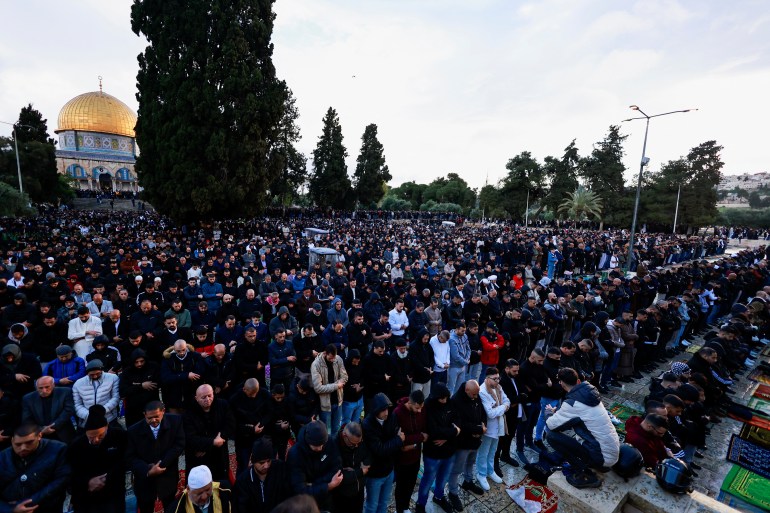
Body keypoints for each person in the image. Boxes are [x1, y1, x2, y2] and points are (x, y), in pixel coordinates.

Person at [545, 368, 620, 489]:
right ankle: (589, 464)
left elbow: (551, 425)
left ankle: (583, 472)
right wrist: (558, 413)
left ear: (562, 384)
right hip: (611, 452)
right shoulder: (590, 394)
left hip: (601, 458)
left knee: (552, 436)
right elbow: (578, 413)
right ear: (579, 381)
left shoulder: (572, 403)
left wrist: (548, 413)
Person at [66, 404, 128, 513]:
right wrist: (88, 482)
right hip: (86, 496)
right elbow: (71, 473)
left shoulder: (119, 436)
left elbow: (126, 460)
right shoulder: (76, 445)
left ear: (107, 426)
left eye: (100, 436)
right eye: (91, 437)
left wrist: (107, 478)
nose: (95, 440)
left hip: (113, 491)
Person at [126, 400, 185, 513]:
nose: (153, 420)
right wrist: (148, 470)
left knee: (170, 507)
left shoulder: (176, 421)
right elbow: (130, 458)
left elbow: (179, 445)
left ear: (163, 411)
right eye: (150, 418)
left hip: (167, 475)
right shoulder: (133, 431)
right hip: (144, 481)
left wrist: (161, 465)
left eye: (156, 416)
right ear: (144, 415)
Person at [0, 423, 70, 513]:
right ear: (12, 440)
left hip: (47, 508)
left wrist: (29, 502)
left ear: (39, 435)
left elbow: (62, 480)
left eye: (29, 442)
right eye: (18, 444)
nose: (23, 448)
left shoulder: (58, 449)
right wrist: (10, 509)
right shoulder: (2, 457)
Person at [418, 383, 460, 513]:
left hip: (449, 450)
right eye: (441, 398)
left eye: (446, 398)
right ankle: (420, 505)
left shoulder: (450, 402)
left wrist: (448, 436)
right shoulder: (428, 406)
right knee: (428, 480)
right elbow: (434, 431)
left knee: (443, 479)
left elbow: (458, 421)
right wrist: (454, 431)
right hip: (433, 453)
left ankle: (439, 497)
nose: (444, 401)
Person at [286, 420, 343, 511]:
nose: (320, 448)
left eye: (322, 444)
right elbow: (300, 490)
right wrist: (328, 486)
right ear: (308, 442)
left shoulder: (329, 441)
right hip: (306, 504)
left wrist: (314, 484)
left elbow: (337, 467)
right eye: (316, 445)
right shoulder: (295, 455)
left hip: (327, 500)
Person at [363, 392, 405, 513]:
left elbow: (388, 445)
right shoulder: (367, 424)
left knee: (384, 503)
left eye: (387, 409)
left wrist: (392, 443)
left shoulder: (391, 417)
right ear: (376, 410)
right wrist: (396, 440)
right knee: (372, 506)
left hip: (389, 470)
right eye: (383, 410)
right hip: (375, 474)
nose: (386, 412)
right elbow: (380, 450)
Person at [184, 383, 236, 480]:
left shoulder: (223, 405)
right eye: (203, 397)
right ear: (196, 398)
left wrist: (219, 439)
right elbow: (190, 438)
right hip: (198, 456)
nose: (207, 399)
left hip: (219, 452)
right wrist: (212, 442)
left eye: (209, 396)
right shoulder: (189, 412)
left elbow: (230, 425)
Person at [448, 380, 487, 498]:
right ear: (466, 390)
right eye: (474, 394)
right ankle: (453, 492)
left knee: (470, 462)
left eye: (477, 394)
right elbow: (460, 424)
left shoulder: (475, 394)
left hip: (475, 440)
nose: (476, 397)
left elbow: (482, 411)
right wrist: (478, 430)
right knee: (456, 469)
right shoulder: (456, 401)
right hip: (463, 442)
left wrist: (483, 425)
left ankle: (468, 481)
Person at [393, 390, 427, 513]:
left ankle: (406, 506)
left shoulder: (421, 410)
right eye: (417, 408)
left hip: (416, 456)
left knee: (411, 484)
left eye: (421, 408)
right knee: (401, 486)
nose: (419, 411)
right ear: (410, 403)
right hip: (401, 459)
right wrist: (419, 438)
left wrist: (414, 441)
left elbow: (424, 433)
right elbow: (400, 440)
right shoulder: (397, 414)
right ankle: (399, 509)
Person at [233, 438, 290, 513]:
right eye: (261, 463)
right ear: (253, 461)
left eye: (268, 461)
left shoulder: (280, 469)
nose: (266, 466)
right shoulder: (243, 482)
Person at [476, 367, 510, 491]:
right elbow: (490, 413)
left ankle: (490, 471)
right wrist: (503, 407)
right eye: (494, 379)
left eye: (498, 378)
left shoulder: (498, 387)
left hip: (499, 425)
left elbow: (507, 400)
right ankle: (481, 474)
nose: (497, 381)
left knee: (493, 450)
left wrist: (502, 407)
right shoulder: (482, 391)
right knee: (483, 452)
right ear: (487, 378)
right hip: (488, 427)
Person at [229, 378, 271, 474]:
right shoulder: (235, 399)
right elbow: (233, 423)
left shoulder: (264, 394)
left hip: (261, 435)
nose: (254, 396)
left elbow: (270, 412)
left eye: (255, 393)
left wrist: (261, 425)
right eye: (251, 394)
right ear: (244, 389)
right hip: (243, 438)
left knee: (262, 463)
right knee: (243, 464)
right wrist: (251, 429)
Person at [21, 376, 75, 444]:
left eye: (47, 387)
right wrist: (41, 429)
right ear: (36, 387)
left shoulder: (65, 392)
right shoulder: (28, 398)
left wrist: (53, 426)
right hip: (40, 436)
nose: (44, 390)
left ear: (53, 385)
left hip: (63, 433)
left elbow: (68, 411)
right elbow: (27, 420)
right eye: (40, 388)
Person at [333, 422, 371, 513]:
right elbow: (338, 475)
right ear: (344, 435)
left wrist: (356, 470)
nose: (356, 446)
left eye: (359, 442)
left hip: (359, 490)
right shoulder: (334, 444)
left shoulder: (359, 439)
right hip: (342, 495)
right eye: (353, 444)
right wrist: (360, 471)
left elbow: (368, 456)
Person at [310, 344, 348, 438]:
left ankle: (333, 448)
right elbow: (318, 388)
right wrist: (336, 385)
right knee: (325, 432)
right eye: (331, 358)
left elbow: (345, 377)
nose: (333, 360)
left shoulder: (338, 359)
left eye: (334, 358)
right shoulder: (316, 365)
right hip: (325, 405)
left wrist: (338, 384)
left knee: (336, 429)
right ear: (325, 353)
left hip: (338, 401)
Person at [72, 359, 121, 430]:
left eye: (98, 373)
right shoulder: (78, 384)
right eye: (91, 375)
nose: (95, 376)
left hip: (109, 418)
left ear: (102, 371)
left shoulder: (113, 378)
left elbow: (115, 398)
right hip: (87, 421)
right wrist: (89, 415)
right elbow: (77, 404)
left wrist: (102, 411)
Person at [496, 358, 524, 470]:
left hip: (515, 413)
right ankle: (495, 461)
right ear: (507, 369)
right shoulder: (502, 380)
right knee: (501, 439)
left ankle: (505, 455)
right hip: (507, 415)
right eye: (514, 371)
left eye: (517, 371)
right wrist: (520, 398)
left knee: (510, 436)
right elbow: (507, 400)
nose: (517, 373)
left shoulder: (513, 377)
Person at [169, 464, 233, 513]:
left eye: (207, 490)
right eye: (199, 493)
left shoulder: (225, 491)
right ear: (188, 489)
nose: (204, 497)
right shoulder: (177, 509)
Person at [448, 322, 471, 394]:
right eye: (462, 331)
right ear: (457, 329)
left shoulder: (465, 336)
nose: (464, 333)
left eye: (464, 330)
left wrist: (466, 359)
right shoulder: (451, 339)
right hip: (454, 367)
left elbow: (468, 349)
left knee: (460, 388)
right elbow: (455, 356)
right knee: (451, 388)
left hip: (463, 366)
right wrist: (465, 362)